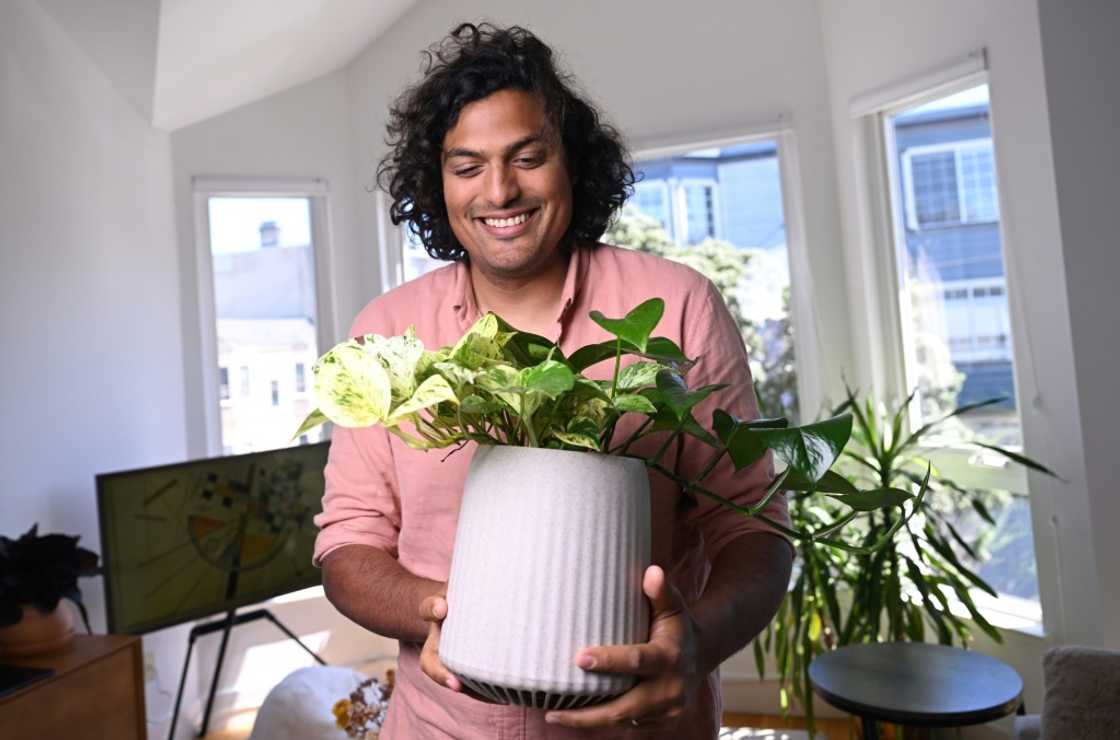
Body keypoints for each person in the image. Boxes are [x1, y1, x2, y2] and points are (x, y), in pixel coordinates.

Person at [314, 22, 793, 739]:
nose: (499, 190)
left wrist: (693, 643)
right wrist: (441, 609)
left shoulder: (680, 304)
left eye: (528, 157)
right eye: (466, 165)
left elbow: (752, 524)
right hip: (441, 727)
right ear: (436, 181)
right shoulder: (388, 334)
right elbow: (348, 544)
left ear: (572, 160)